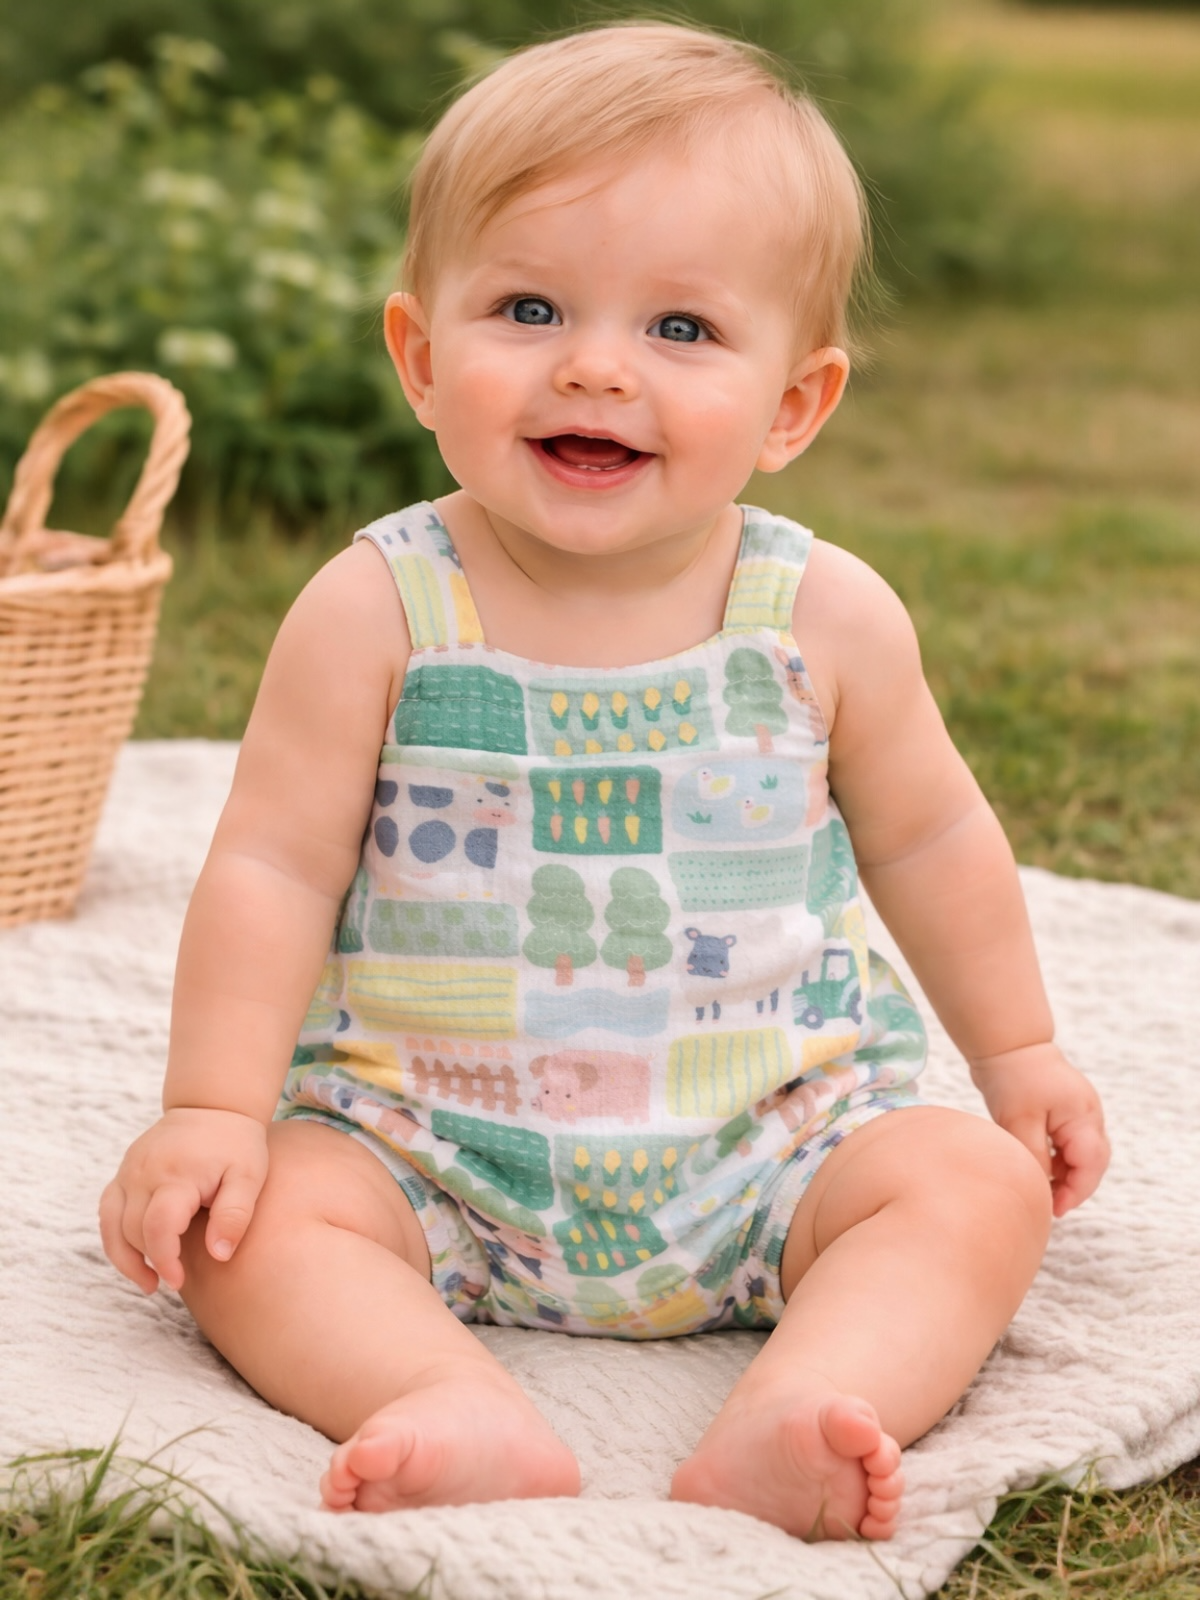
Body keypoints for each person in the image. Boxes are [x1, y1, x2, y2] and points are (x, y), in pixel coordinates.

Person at [99, 21, 1110, 1541]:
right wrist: (211, 1108)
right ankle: (440, 1395)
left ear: (794, 406)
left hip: (771, 1142)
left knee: (971, 1193)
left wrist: (1018, 1052)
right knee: (250, 1229)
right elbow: (272, 868)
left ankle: (801, 1404)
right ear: (423, 359)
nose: (593, 365)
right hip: (432, 1145)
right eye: (529, 307)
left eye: (682, 331)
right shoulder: (380, 605)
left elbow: (934, 835)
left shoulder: (822, 617)